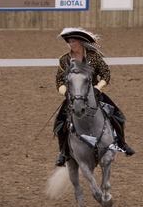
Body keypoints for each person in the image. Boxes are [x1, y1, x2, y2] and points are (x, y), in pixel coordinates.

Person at [54, 27, 135, 166]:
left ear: (80, 42)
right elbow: (59, 80)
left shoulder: (94, 56)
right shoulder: (64, 60)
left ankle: (122, 143)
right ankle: (63, 152)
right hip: (74, 96)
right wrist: (66, 92)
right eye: (69, 42)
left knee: (118, 116)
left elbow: (105, 74)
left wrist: (98, 88)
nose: (71, 44)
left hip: (94, 93)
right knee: (60, 122)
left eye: (73, 41)